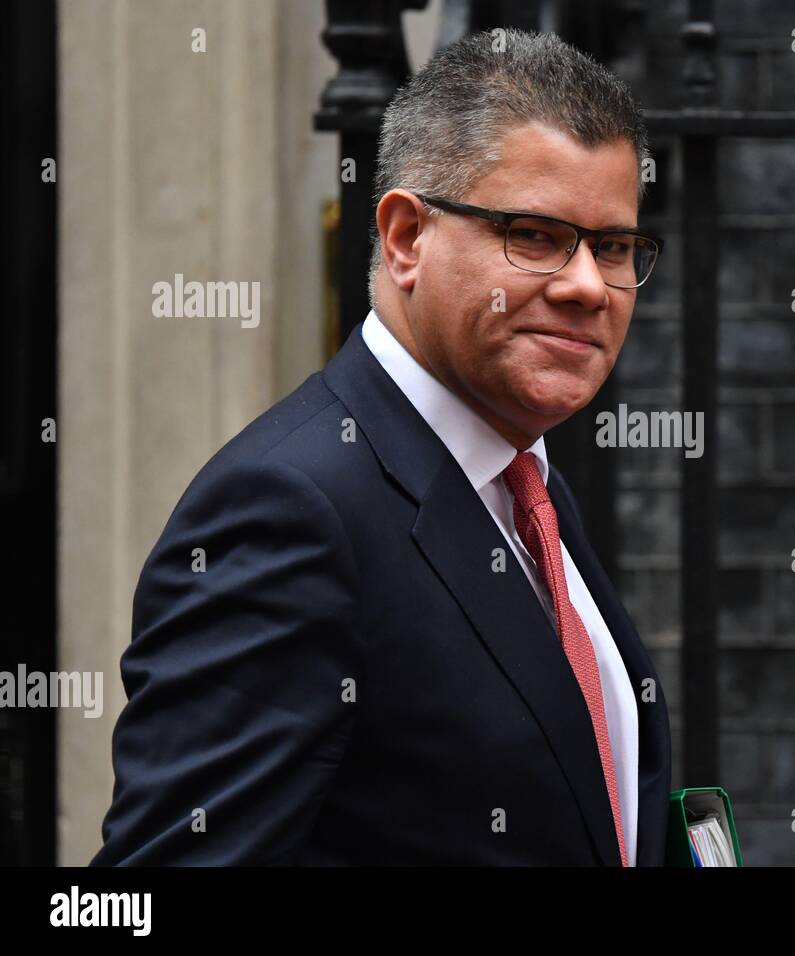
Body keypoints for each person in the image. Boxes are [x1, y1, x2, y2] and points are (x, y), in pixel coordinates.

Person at [91, 28, 670, 865]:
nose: (587, 286)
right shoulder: (290, 510)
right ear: (404, 238)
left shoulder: (525, 484)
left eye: (613, 246)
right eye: (536, 235)